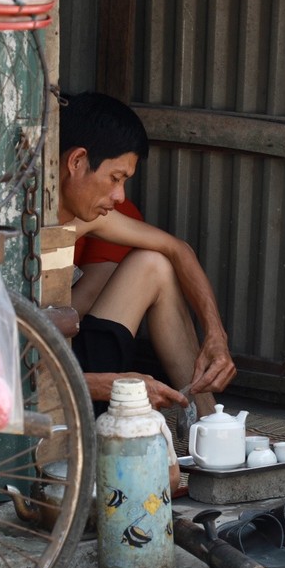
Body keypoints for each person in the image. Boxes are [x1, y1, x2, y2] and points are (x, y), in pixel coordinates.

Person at [58, 92, 236, 420]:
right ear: (77, 161)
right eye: (115, 178)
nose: (119, 196)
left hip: (75, 368)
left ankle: (209, 424)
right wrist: (112, 385)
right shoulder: (11, 226)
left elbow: (177, 249)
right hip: (38, 389)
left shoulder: (84, 219)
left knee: (155, 264)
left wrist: (216, 334)